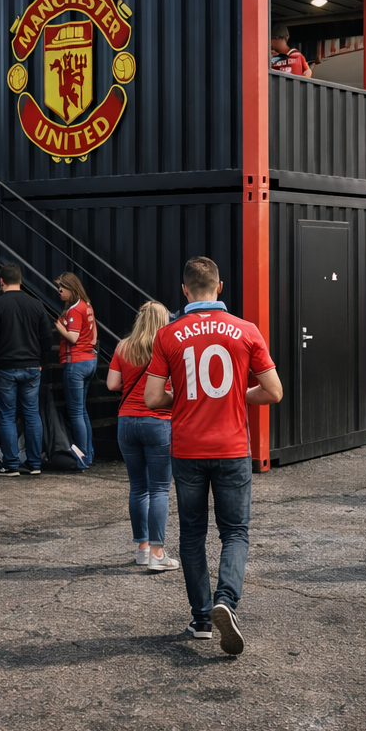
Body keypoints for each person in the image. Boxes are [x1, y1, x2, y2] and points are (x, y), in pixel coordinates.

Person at [144, 256, 282, 654]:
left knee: (191, 534)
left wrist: (186, 399)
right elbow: (273, 391)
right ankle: (227, 600)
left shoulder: (168, 335)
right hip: (232, 447)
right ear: (220, 287)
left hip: (187, 448)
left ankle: (202, 618)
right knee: (235, 532)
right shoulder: (245, 330)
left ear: (185, 291)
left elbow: (153, 397)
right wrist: (238, 395)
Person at [108, 301, 178, 571]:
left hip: (127, 422)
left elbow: (113, 384)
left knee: (138, 487)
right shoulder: (169, 346)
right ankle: (157, 554)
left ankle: (142, 548)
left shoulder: (123, 346)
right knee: (159, 488)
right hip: (159, 421)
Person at [0, 263, 57, 475]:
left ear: (2, 282)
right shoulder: (36, 304)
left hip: (5, 367)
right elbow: (47, 337)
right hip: (32, 367)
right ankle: (35, 463)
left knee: (7, 415)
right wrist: (41, 360)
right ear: (20, 280)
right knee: (32, 413)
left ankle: (11, 464)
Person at [55, 272, 99, 471]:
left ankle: (81, 456)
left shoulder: (74, 310)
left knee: (75, 413)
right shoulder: (87, 305)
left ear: (71, 288)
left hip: (76, 363)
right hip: (90, 360)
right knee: (82, 411)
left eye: (62, 288)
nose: (59, 292)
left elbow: (72, 337)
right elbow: (94, 335)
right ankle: (87, 454)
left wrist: (59, 327)